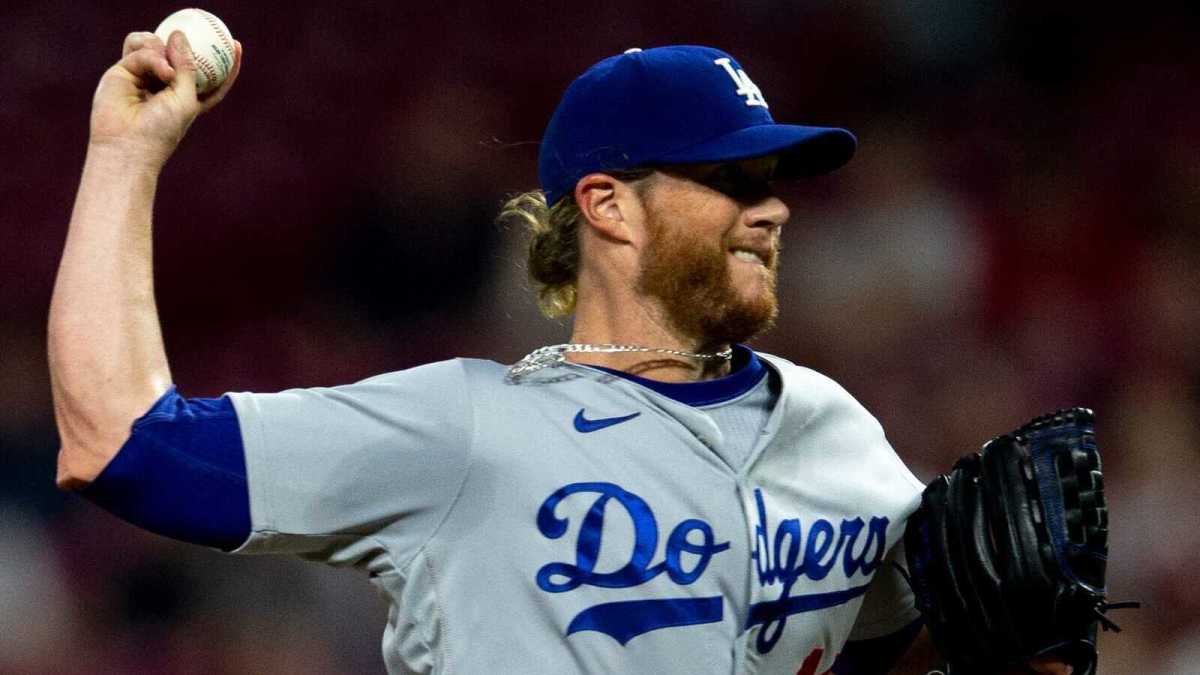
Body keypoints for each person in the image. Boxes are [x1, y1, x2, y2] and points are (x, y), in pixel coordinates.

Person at [50, 30, 1073, 675]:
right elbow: (122, 443)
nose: (771, 207)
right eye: (729, 178)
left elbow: (887, 649)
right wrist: (125, 154)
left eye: (773, 177)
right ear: (608, 205)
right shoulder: (463, 430)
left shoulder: (838, 433)